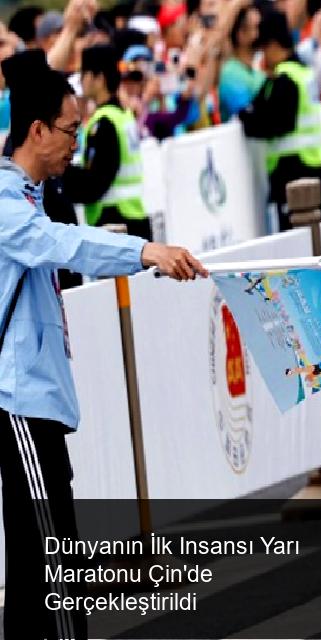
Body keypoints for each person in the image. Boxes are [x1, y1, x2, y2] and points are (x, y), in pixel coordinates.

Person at [0, 49, 206, 640]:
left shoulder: (30, 195)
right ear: (36, 130)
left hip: (36, 401)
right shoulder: (8, 203)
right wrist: (146, 251)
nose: (77, 145)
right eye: (70, 131)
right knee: (54, 566)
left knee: (38, 565)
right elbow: (66, 245)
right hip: (19, 402)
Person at [239, 9, 321, 229]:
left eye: (263, 48)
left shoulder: (285, 79)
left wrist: (247, 121)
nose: (263, 55)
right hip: (313, 169)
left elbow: (276, 124)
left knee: (297, 242)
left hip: (294, 176)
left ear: (273, 45)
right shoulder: (302, 72)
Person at [62, 44, 152, 241]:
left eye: (84, 74)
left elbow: (95, 183)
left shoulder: (105, 122)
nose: (81, 80)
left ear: (99, 78)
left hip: (115, 222)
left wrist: (60, 173)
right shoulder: (124, 116)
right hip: (133, 218)